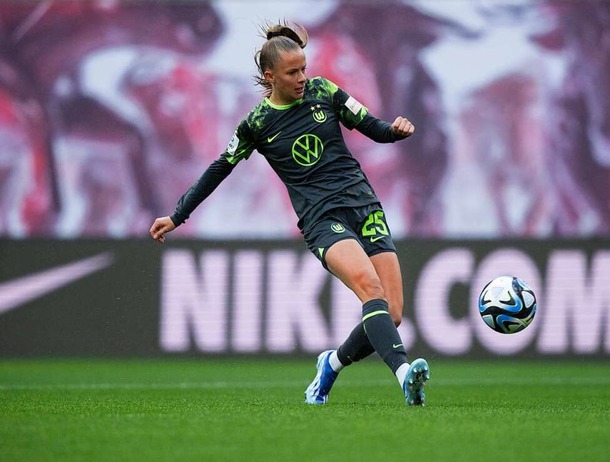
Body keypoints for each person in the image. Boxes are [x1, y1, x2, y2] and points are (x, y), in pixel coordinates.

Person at [149, 21, 430, 406]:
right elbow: (218, 169)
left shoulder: (325, 91)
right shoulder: (257, 125)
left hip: (364, 206)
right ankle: (403, 374)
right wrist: (178, 215)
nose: (302, 78)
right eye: (292, 72)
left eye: (304, 69)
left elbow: (374, 128)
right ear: (270, 76)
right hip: (321, 219)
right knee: (370, 288)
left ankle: (331, 364)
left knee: (392, 314)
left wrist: (396, 130)